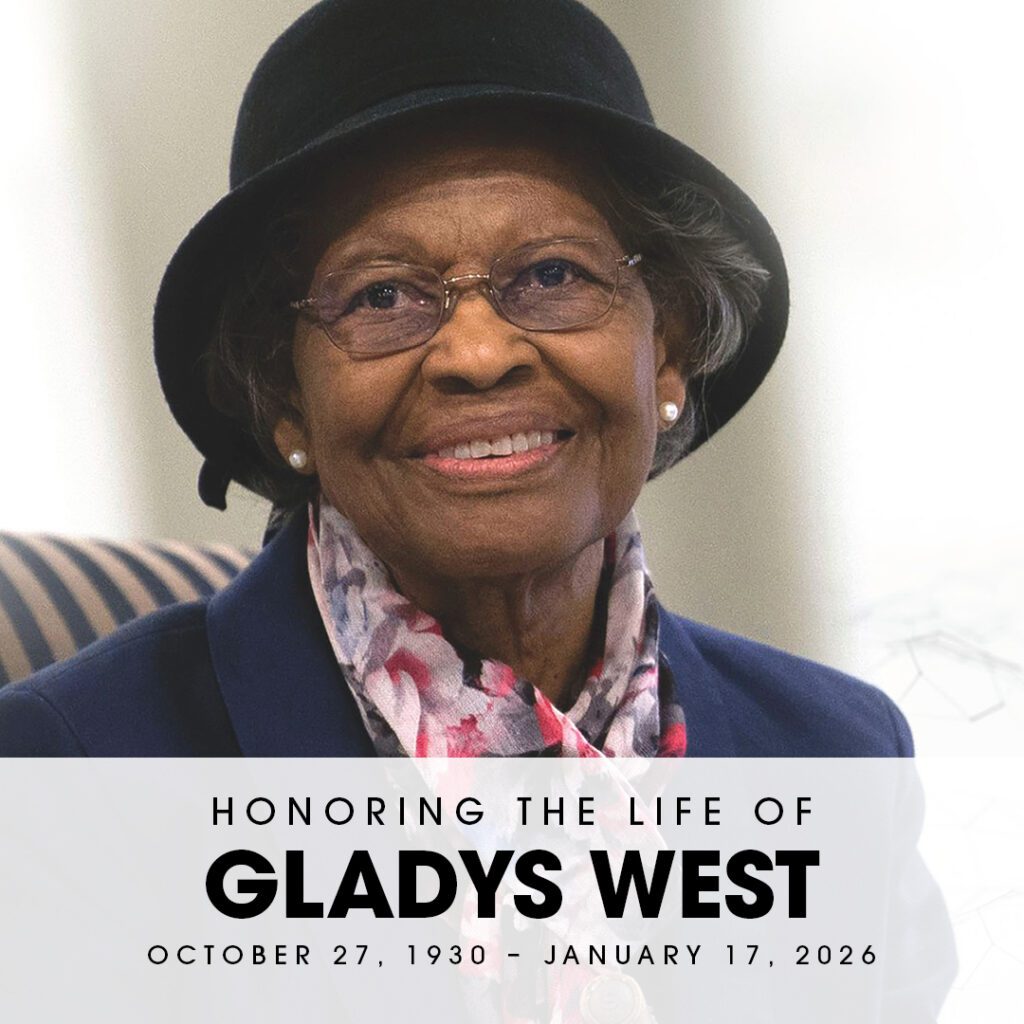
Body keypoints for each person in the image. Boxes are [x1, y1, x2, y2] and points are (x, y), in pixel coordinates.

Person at [0, 0, 913, 757]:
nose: (479, 355)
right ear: (283, 396)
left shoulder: (836, 757)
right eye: (383, 294)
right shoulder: (78, 764)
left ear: (666, 346)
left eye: (554, 275)